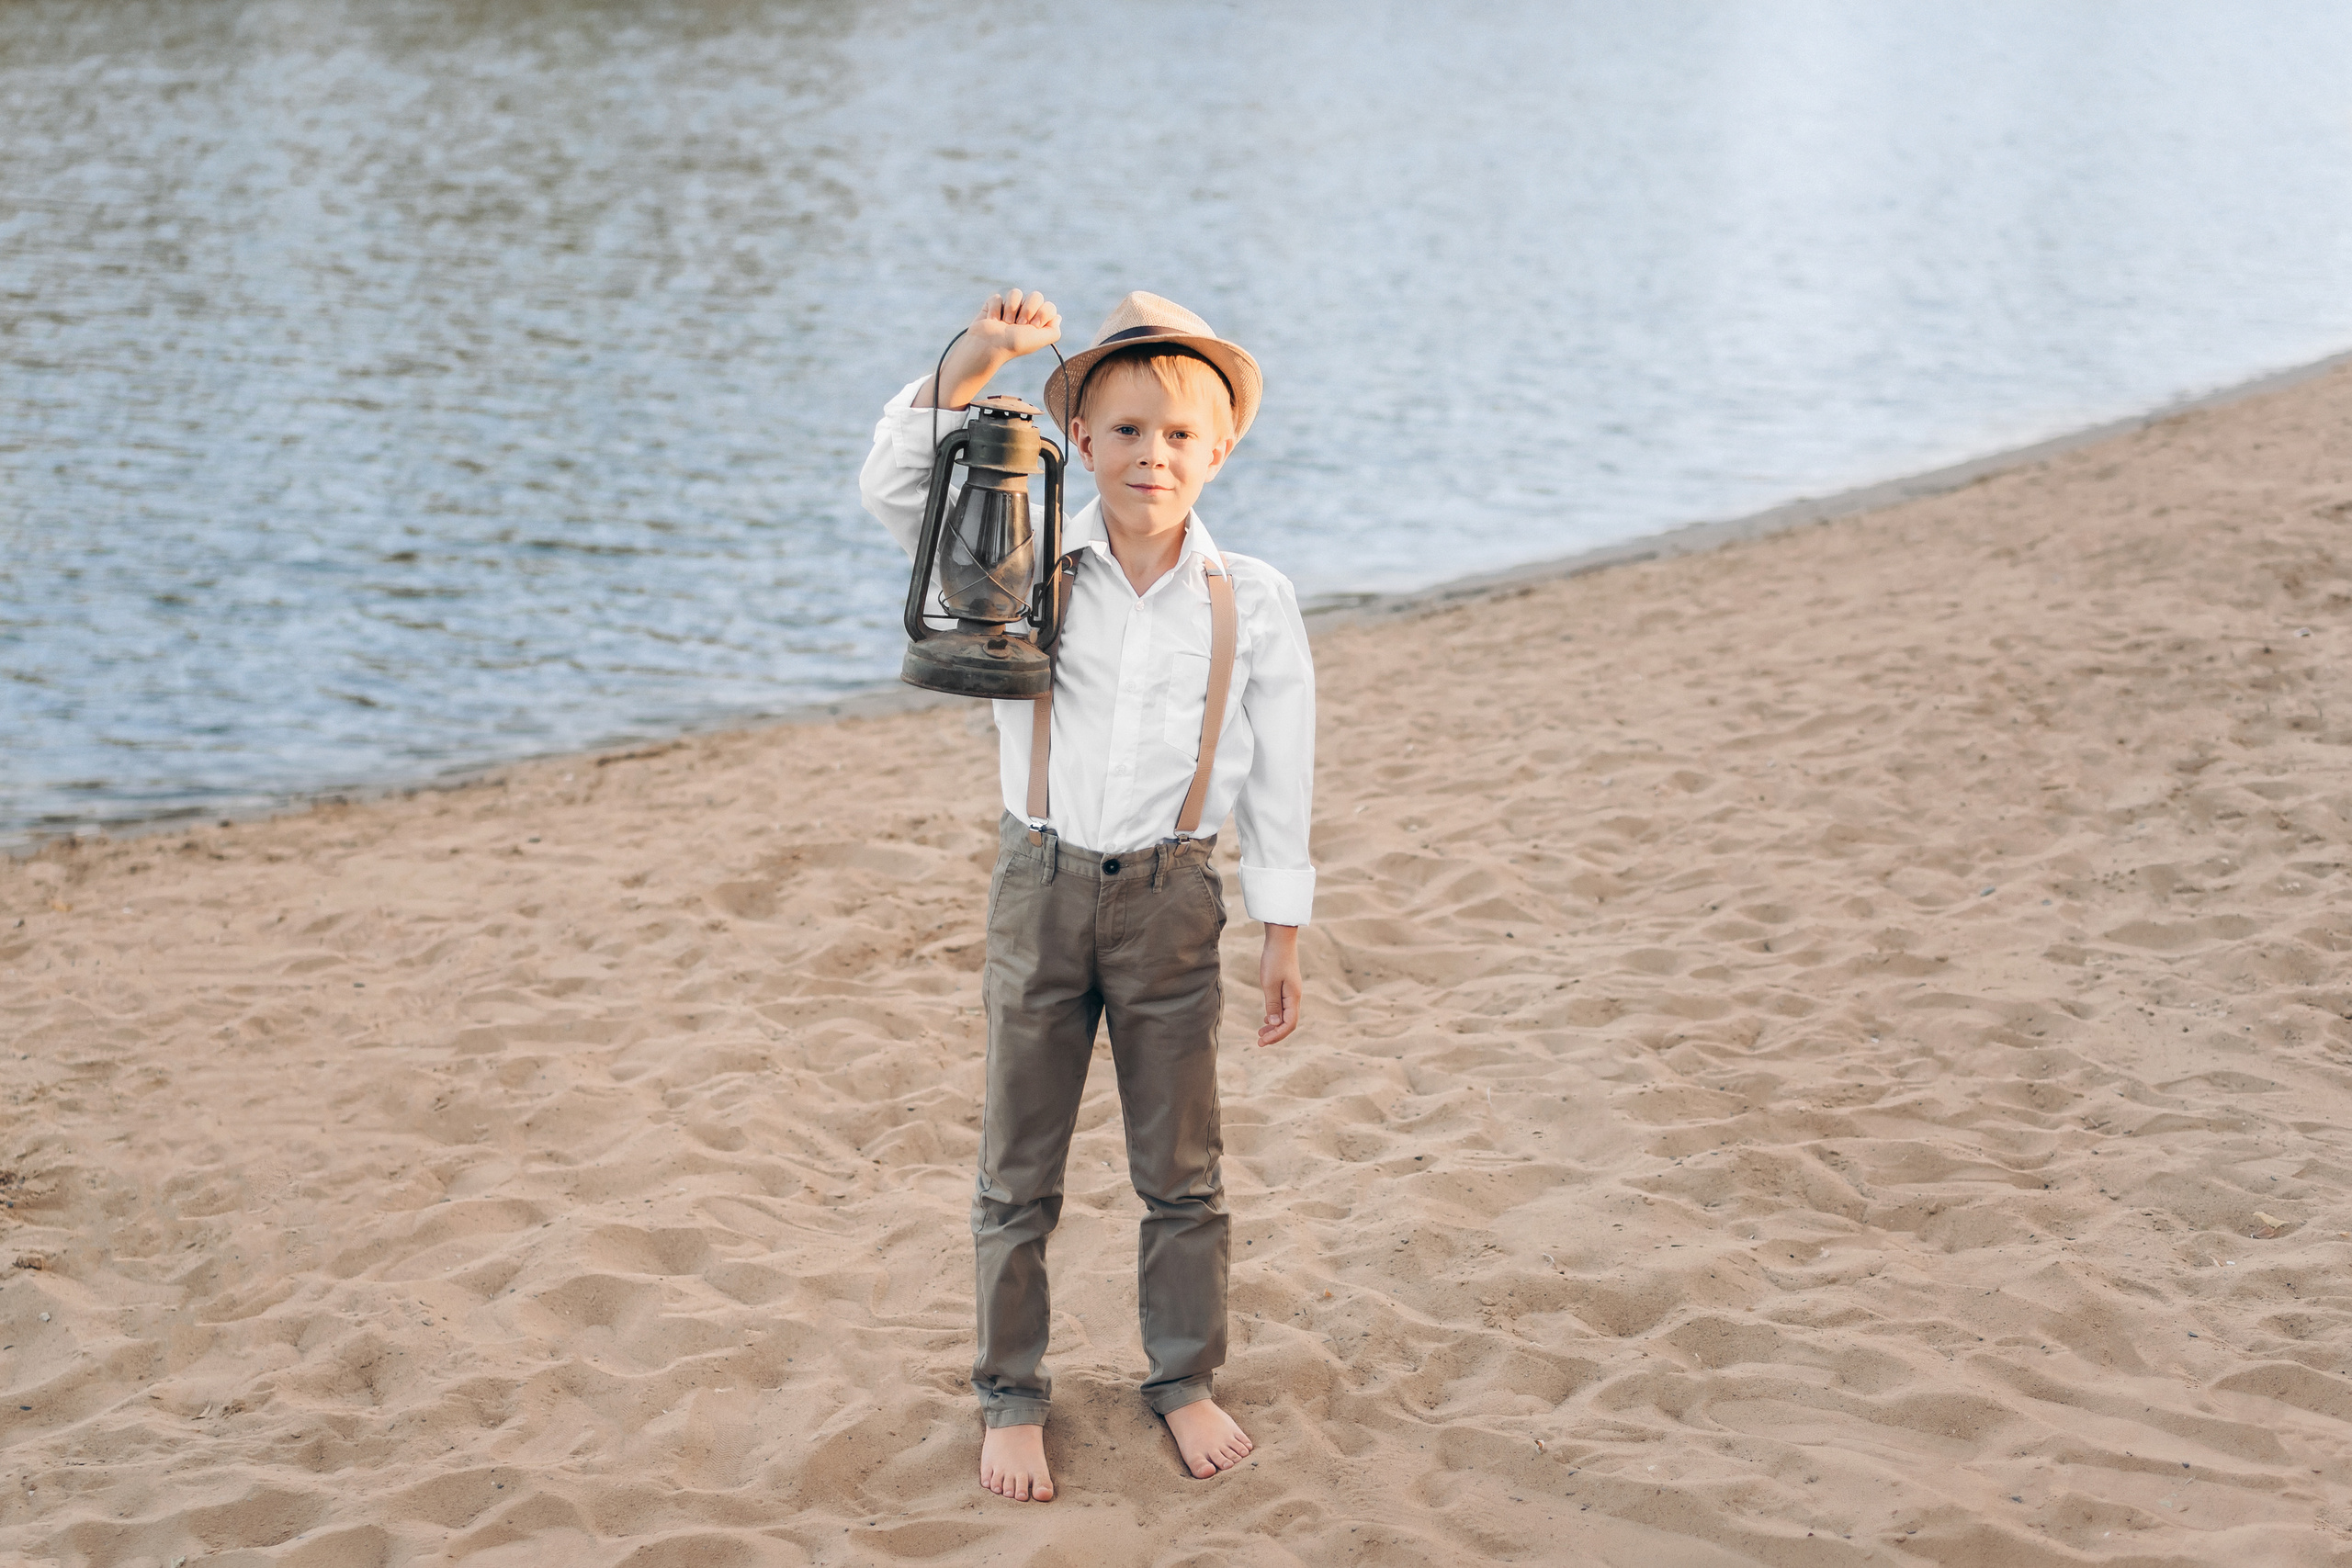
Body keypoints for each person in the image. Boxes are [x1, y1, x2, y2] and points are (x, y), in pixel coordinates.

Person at [858, 288, 1316, 1501]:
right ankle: (1011, 1392)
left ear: (1218, 451)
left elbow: (1283, 767)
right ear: (1080, 444)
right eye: (1121, 433)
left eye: (1176, 436)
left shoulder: (1252, 599)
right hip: (1042, 884)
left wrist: (1282, 926)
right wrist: (974, 362)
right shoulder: (1026, 553)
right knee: (1019, 1165)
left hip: (1176, 899)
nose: (1149, 456)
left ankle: (1184, 1377)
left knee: (1184, 1168)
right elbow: (896, 494)